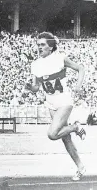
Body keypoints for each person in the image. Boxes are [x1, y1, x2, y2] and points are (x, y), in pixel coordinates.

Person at [24, 32, 86, 181]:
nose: (39, 47)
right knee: (65, 139)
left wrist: (78, 86)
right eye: (38, 45)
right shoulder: (35, 64)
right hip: (51, 103)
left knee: (52, 134)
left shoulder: (60, 58)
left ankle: (76, 126)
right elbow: (36, 87)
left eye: (43, 45)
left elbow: (81, 68)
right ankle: (80, 167)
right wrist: (29, 88)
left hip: (64, 100)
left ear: (51, 47)